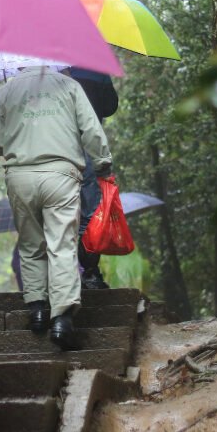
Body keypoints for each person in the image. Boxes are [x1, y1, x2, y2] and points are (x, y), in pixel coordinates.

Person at [0, 66, 112, 350]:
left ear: (18, 62)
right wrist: (102, 161)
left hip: (21, 175)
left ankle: (38, 309)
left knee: (30, 244)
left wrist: (17, 142)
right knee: (61, 244)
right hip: (61, 174)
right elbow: (91, 127)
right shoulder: (69, 85)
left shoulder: (6, 91)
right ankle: (62, 319)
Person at [68, 67, 119, 290]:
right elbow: (109, 106)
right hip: (88, 146)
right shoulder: (93, 63)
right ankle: (90, 273)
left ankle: (61, 276)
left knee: (58, 212)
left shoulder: (48, 67)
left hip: (55, 148)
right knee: (90, 213)